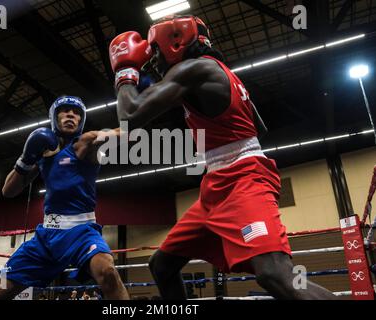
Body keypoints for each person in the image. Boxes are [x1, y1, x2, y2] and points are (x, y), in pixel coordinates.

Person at [109, 15, 336, 300]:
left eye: (155, 50)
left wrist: (125, 69)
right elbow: (259, 128)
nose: (152, 60)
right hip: (217, 185)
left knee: (274, 274)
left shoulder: (193, 69)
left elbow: (130, 115)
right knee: (162, 264)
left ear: (176, 42)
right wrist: (221, 145)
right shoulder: (221, 72)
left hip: (244, 181)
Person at [0, 96, 129, 300]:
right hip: (46, 236)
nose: (71, 114)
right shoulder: (43, 151)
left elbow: (126, 134)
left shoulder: (85, 144)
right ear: (54, 116)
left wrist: (134, 101)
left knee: (107, 273)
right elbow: (8, 191)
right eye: (65, 110)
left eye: (77, 112)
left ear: (81, 120)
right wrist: (26, 159)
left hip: (82, 231)